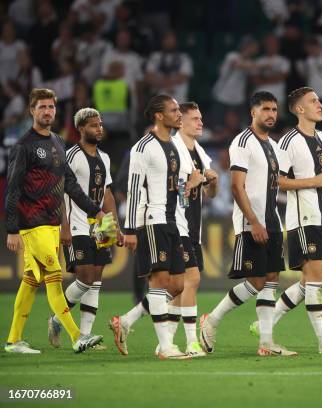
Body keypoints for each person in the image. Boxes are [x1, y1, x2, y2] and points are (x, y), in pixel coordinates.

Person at [251, 87, 322, 354]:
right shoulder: (288, 141)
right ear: (299, 109)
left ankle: (266, 322)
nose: (320, 104)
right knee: (316, 276)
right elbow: (278, 181)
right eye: (313, 101)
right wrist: (314, 181)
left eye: (319, 100)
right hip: (302, 217)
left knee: (311, 281)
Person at [4, 88, 105, 354]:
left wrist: (96, 210)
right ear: (32, 111)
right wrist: (12, 229)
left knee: (30, 281)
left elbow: (70, 185)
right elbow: (12, 189)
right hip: (31, 223)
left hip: (50, 224)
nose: (48, 111)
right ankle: (76, 336)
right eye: (42, 107)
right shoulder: (23, 146)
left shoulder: (59, 143)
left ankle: (13, 340)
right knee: (54, 277)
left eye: (51, 107)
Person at [199, 92, 297, 356]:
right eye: (266, 109)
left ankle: (266, 343)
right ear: (253, 112)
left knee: (272, 278)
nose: (271, 114)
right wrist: (254, 221)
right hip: (250, 222)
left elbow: (283, 182)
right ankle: (212, 320)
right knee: (255, 281)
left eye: (274, 109)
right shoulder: (242, 142)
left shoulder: (274, 146)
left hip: (273, 220)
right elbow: (236, 186)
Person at [109, 94, 188, 360]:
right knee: (158, 281)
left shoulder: (174, 146)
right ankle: (166, 347)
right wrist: (130, 229)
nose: (179, 114)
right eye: (174, 110)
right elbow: (132, 190)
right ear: (158, 115)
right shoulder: (143, 147)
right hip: (151, 221)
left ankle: (127, 321)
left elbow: (175, 187)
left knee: (177, 285)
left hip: (171, 220)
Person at [47, 108, 121, 350]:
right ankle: (57, 319)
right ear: (80, 129)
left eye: (100, 124)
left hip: (100, 224)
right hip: (76, 223)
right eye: (93, 125)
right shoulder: (71, 155)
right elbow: (58, 191)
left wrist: (114, 225)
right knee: (86, 277)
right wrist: (64, 226)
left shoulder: (105, 158)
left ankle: (86, 335)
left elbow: (107, 193)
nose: (98, 128)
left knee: (96, 279)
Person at [164, 101, 217, 357]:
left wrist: (212, 182)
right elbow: (173, 191)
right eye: (195, 119)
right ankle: (191, 342)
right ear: (181, 122)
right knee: (191, 281)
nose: (200, 123)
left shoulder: (199, 150)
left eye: (201, 118)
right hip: (176, 224)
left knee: (177, 288)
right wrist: (194, 182)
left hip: (193, 227)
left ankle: (162, 339)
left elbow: (210, 193)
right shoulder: (173, 149)